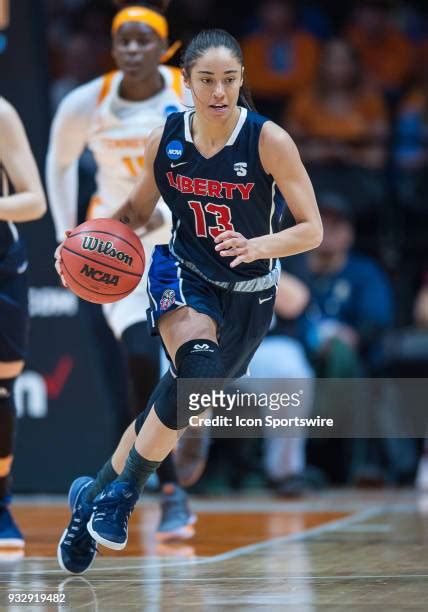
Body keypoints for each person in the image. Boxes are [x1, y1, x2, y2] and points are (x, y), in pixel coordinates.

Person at [54, 28, 322, 574]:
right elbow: (133, 212)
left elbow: (312, 229)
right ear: (188, 83)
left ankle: (94, 495)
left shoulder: (269, 141)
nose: (219, 91)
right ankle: (124, 497)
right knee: (194, 376)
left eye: (229, 80)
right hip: (183, 273)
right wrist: (81, 243)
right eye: (207, 80)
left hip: (250, 293)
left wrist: (259, 245)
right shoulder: (166, 139)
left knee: (178, 401)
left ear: (241, 81)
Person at [46, 0, 197, 543]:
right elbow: (60, 163)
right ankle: (171, 489)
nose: (133, 50)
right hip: (119, 249)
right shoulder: (88, 102)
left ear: (164, 48)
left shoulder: (189, 93)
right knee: (139, 363)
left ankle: (193, 431)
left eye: (143, 40)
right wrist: (67, 235)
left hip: (185, 243)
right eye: (123, 41)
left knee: (192, 367)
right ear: (113, 49)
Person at [0, 98, 46, 547]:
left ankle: (0, 505)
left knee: (1, 390)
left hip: (1, 262)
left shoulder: (1, 112)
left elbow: (34, 200)